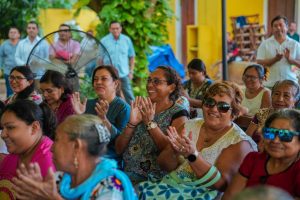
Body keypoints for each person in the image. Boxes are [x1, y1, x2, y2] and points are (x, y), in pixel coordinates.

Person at [138, 81, 257, 199]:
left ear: (234, 113)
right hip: (170, 187)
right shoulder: (190, 125)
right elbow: (164, 165)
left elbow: (221, 185)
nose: (214, 109)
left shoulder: (239, 142)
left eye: (223, 107)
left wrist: (192, 155)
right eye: (209, 103)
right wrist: (173, 152)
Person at [11, 114, 137, 200]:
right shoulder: (59, 179)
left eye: (58, 140)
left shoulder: (111, 187)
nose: (51, 147)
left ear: (77, 146)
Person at [115, 66, 189, 185]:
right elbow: (118, 149)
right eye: (149, 80)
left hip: (152, 180)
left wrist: (150, 123)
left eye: (156, 81)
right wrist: (132, 124)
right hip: (125, 174)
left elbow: (171, 150)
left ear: (171, 87)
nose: (150, 85)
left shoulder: (178, 113)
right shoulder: (141, 106)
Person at [223, 109, 300, 199]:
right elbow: (230, 196)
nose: (275, 140)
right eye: (269, 132)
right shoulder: (253, 159)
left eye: (285, 135)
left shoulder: (297, 170)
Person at [71, 65, 130, 164]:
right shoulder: (88, 104)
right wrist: (79, 116)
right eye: (95, 79)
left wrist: (103, 119)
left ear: (115, 84)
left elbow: (120, 145)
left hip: (108, 159)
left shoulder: (123, 108)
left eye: (104, 79)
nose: (98, 82)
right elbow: (80, 136)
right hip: (85, 154)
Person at [0, 100, 56, 199]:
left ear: (34, 127)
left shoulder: (51, 163)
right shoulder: (17, 152)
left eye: (10, 127)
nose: (3, 134)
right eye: (2, 128)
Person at [246, 80, 300, 148]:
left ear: (295, 101)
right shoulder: (261, 114)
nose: (280, 99)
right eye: (276, 94)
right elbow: (246, 139)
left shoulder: (298, 120)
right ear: (272, 96)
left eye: (286, 95)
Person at [256, 15, 300, 88]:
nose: (278, 28)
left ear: (287, 27)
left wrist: (291, 60)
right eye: (275, 26)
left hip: (290, 85)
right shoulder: (265, 44)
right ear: (272, 29)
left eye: (281, 25)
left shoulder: (295, 44)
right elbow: (259, 63)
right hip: (270, 85)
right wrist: (275, 59)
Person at [99, 21, 135, 104]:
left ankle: (135, 113)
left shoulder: (126, 40)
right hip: (109, 74)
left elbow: (132, 56)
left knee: (129, 95)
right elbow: (100, 58)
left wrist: (131, 71)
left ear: (121, 29)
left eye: (117, 28)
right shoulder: (104, 41)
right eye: (113, 29)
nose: (115, 30)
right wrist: (101, 73)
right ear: (110, 29)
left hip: (123, 74)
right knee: (109, 95)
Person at [15, 21, 49, 85]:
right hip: (24, 76)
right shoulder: (21, 43)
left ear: (37, 30)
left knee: (39, 94)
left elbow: (48, 58)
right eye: (29, 28)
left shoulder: (43, 43)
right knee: (26, 94)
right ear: (26, 30)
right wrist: (23, 64)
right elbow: (17, 57)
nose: (31, 30)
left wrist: (39, 63)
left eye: (33, 28)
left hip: (39, 75)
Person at [49, 24, 81, 91]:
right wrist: (67, 59)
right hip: (57, 76)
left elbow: (73, 60)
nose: (63, 33)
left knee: (73, 94)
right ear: (58, 33)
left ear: (70, 33)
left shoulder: (76, 44)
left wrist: (57, 57)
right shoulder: (53, 45)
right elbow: (52, 59)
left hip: (72, 75)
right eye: (61, 31)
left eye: (65, 31)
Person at [0, 27, 20, 97]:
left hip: (20, 72)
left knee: (20, 90)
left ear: (18, 35)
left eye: (15, 32)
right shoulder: (4, 44)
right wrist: (1, 67)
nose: (13, 34)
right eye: (11, 32)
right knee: (9, 90)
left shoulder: (22, 44)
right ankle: (10, 106)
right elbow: (0, 56)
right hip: (8, 71)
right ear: (8, 34)